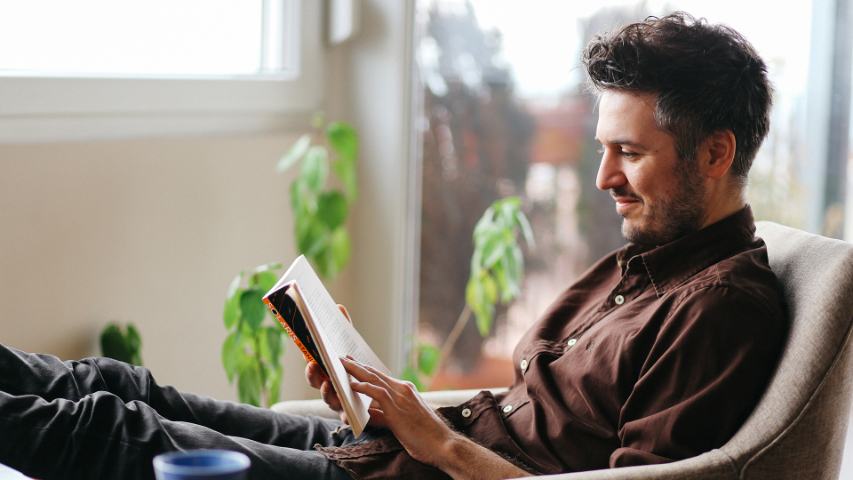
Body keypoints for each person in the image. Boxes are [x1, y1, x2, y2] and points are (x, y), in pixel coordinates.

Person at [0, 11, 785, 480]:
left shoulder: (721, 308)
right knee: (113, 383)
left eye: (631, 154)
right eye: (603, 148)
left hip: (416, 473)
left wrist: (436, 442)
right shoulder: (643, 261)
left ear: (715, 153)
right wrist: (372, 395)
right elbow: (525, 418)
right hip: (397, 453)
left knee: (104, 429)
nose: (602, 177)